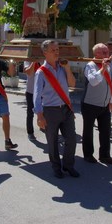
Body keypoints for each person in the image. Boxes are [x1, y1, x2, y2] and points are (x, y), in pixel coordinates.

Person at [34, 40, 79, 178]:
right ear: (45, 52)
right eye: (53, 50)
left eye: (58, 49)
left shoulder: (62, 68)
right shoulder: (41, 72)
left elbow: (72, 84)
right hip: (50, 110)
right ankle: (56, 167)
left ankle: (68, 165)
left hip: (66, 108)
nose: (57, 52)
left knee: (71, 139)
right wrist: (39, 115)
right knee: (52, 141)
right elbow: (36, 96)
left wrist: (67, 68)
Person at [82, 43, 112, 165]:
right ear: (96, 54)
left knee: (106, 131)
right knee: (88, 131)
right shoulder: (90, 66)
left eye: (108, 52)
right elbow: (93, 81)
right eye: (104, 52)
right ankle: (88, 154)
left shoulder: (107, 65)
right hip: (90, 104)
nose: (108, 55)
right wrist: (102, 69)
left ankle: (105, 155)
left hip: (104, 105)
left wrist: (111, 101)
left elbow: (109, 84)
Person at [24, 60, 41, 140]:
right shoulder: (28, 60)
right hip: (31, 91)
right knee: (30, 113)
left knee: (46, 112)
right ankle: (30, 132)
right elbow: (29, 72)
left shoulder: (43, 59)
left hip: (43, 92)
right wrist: (34, 62)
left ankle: (46, 129)